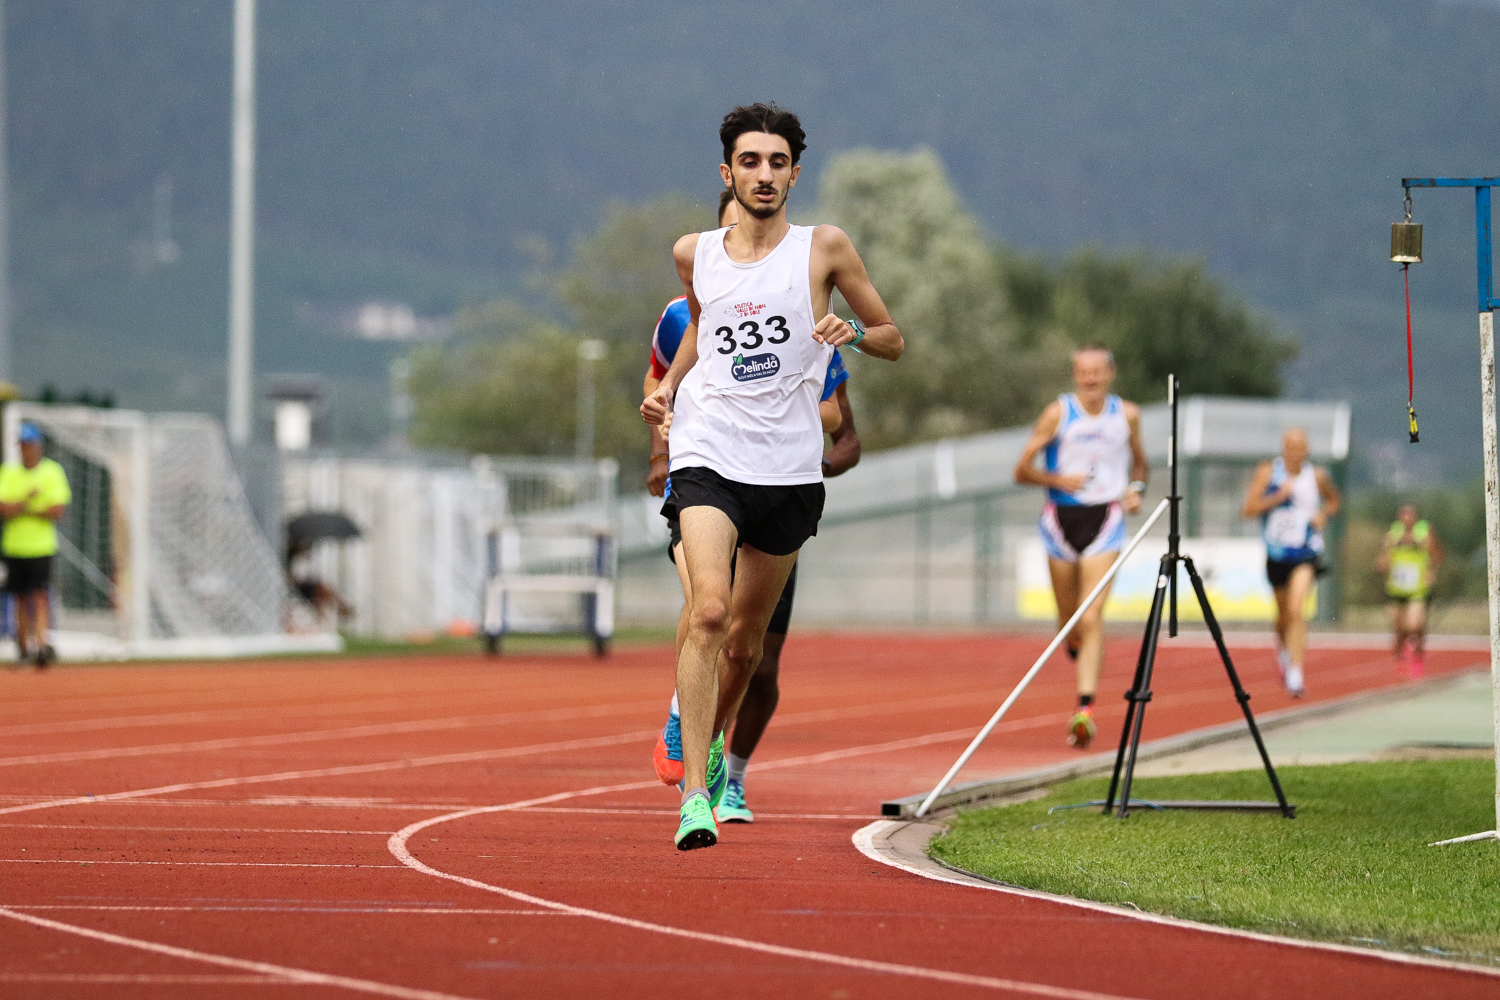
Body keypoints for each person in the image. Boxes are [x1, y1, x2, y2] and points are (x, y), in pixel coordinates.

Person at [641, 102, 903, 850]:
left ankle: (712, 743)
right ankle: (695, 796)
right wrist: (670, 389)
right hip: (708, 451)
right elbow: (702, 324)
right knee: (709, 612)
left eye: (777, 162)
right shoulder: (694, 251)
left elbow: (892, 338)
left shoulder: (825, 248)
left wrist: (852, 331)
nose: (764, 174)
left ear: (794, 173)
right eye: (750, 162)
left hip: (787, 467)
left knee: (747, 648)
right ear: (728, 173)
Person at [1014, 345, 1148, 749]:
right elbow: (1021, 471)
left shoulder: (1128, 415)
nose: (1090, 379)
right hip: (1060, 521)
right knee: (1069, 622)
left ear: (1110, 374)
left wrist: (1136, 489)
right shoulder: (1058, 413)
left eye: (1097, 372)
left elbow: (1141, 464)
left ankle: (1084, 709)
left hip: (1105, 519)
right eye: (1083, 372)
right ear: (1075, 376)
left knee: (1091, 616)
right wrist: (1058, 480)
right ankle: (1074, 641)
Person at [1241, 427, 1341, 697]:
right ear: (1283, 448)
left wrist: (1323, 514)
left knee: (1297, 611)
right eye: (1290, 447)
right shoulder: (1268, 473)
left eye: (1300, 447)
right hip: (1277, 554)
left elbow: (1334, 500)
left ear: (1307, 450)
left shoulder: (1316, 476)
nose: (1295, 452)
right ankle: (1283, 649)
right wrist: (1277, 497)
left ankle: (1296, 671)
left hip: (1306, 552)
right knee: (1283, 615)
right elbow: (1247, 509)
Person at [0, 422, 72, 668]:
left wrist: (21, 508)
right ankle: (23, 647)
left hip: (41, 546)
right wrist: (28, 501)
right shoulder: (8, 472)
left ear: (38, 446)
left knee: (40, 596)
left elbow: (57, 510)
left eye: (29, 444)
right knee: (19, 597)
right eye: (22, 445)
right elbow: (4, 509)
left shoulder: (52, 472)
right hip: (14, 546)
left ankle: (41, 645)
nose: (25, 450)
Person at [1377, 503, 1442, 678]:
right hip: (1396, 589)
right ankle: (1401, 658)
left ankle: (1418, 652)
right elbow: (1383, 558)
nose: (1407, 518)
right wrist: (1383, 565)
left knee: (1414, 624)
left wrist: (1431, 571)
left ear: (1416, 517)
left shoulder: (1424, 532)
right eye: (1403, 514)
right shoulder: (1393, 534)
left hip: (1417, 589)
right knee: (1398, 629)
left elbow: (1437, 555)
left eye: (1410, 514)